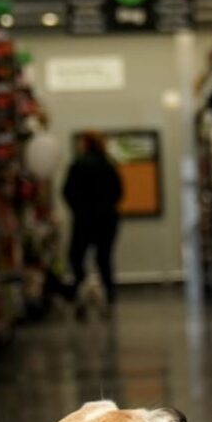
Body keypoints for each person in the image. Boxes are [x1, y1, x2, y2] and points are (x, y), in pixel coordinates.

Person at [63, 131, 123, 310]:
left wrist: (78, 208)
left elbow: (67, 192)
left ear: (86, 144)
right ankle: (109, 295)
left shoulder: (78, 164)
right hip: (107, 219)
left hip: (84, 220)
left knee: (76, 256)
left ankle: (80, 288)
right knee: (104, 258)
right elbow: (119, 192)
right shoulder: (109, 164)